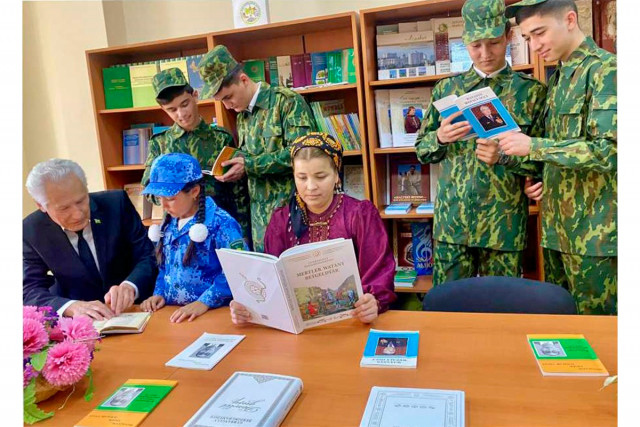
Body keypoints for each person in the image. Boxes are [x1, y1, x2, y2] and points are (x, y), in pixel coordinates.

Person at [414, 0, 546, 286]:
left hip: (503, 226)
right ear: (465, 43)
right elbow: (422, 151)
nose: (485, 54)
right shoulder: (446, 89)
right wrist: (440, 138)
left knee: (502, 306)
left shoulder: (531, 92)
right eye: (476, 45)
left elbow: (542, 162)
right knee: (448, 305)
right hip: (453, 224)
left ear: (508, 36)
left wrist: (505, 156)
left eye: (494, 43)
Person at [500, 0, 617, 314]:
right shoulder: (559, 78)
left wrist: (534, 146)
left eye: (539, 33)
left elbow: (609, 152)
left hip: (595, 238)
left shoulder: (607, 71)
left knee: (599, 332)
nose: (534, 45)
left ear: (569, 19)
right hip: (557, 232)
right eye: (527, 38)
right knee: (564, 329)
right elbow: (558, 151)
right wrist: (532, 175)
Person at [229, 133, 397, 325]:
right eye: (302, 177)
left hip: (353, 321)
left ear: (336, 175)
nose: (310, 186)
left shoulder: (359, 214)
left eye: (320, 176)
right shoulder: (281, 220)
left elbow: (379, 272)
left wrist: (372, 301)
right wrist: (249, 307)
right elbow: (269, 281)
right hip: (299, 326)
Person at [198, 45, 317, 252]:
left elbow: (304, 153)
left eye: (228, 97)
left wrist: (249, 165)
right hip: (260, 224)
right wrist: (234, 163)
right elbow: (250, 157)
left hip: (294, 216)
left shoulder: (286, 102)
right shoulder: (242, 116)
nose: (227, 106)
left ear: (244, 80)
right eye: (221, 101)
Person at [23, 159, 157, 319]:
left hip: (134, 311)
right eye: (64, 208)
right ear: (41, 205)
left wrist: (131, 285)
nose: (78, 214)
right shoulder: (31, 230)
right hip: (79, 321)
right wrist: (69, 307)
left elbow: (147, 256)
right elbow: (30, 290)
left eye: (81, 201)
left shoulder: (117, 203)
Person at [141, 68, 252, 247]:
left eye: (185, 104)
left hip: (220, 229)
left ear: (195, 96)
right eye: (172, 110)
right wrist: (172, 193)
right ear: (163, 110)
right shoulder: (160, 144)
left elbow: (238, 191)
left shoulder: (221, 138)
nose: (181, 114)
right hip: (179, 231)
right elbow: (149, 188)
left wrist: (244, 233)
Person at [139, 153, 246, 322]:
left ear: (194, 191)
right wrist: (159, 293)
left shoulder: (221, 223)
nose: (164, 205)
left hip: (213, 315)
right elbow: (164, 266)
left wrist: (204, 302)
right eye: (159, 199)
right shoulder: (169, 223)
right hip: (174, 315)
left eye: (170, 198)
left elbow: (239, 268)